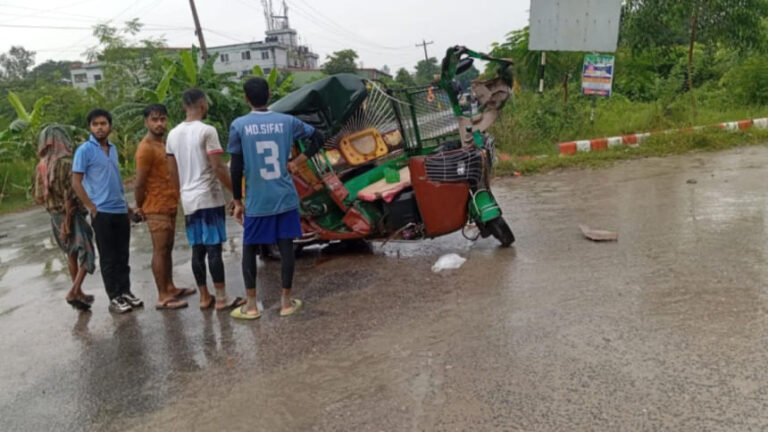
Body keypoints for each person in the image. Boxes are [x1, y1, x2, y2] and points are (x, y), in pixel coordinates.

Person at [228, 77, 324, 320]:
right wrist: (297, 162)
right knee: (286, 247)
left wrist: (237, 201)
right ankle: (286, 302)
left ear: (245, 98)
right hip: (284, 197)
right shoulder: (287, 122)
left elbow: (236, 167)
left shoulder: (239, 126)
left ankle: (251, 306)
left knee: (250, 249)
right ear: (269, 95)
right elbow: (318, 137)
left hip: (258, 200)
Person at [166, 89, 244, 310]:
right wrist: (236, 194)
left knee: (197, 250)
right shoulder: (207, 131)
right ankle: (221, 297)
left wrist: (180, 193)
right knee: (214, 249)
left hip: (189, 199)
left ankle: (204, 296)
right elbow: (218, 167)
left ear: (184, 106)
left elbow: (173, 171)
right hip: (208, 197)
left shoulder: (172, 134)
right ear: (203, 104)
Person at [72, 108, 142, 314]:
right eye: (95, 124)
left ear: (110, 126)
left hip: (119, 210)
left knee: (123, 255)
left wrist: (128, 208)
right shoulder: (84, 150)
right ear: (90, 127)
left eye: (103, 123)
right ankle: (114, 297)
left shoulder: (112, 148)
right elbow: (76, 182)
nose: (100, 128)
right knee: (109, 257)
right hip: (102, 212)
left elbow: (117, 182)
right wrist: (91, 207)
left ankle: (126, 291)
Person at [134, 104, 193, 310]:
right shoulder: (146, 148)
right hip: (155, 206)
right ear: (146, 122)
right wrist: (139, 206)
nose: (159, 123)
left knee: (167, 248)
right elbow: (139, 182)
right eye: (154, 119)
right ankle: (163, 296)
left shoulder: (162, 143)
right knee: (160, 250)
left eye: (162, 119)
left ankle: (170, 287)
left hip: (169, 203)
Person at [33, 125, 96, 311]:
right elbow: (75, 191)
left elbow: (38, 196)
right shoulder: (67, 163)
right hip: (72, 214)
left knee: (71, 253)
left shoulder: (41, 166)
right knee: (87, 251)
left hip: (54, 215)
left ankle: (79, 292)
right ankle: (74, 290)